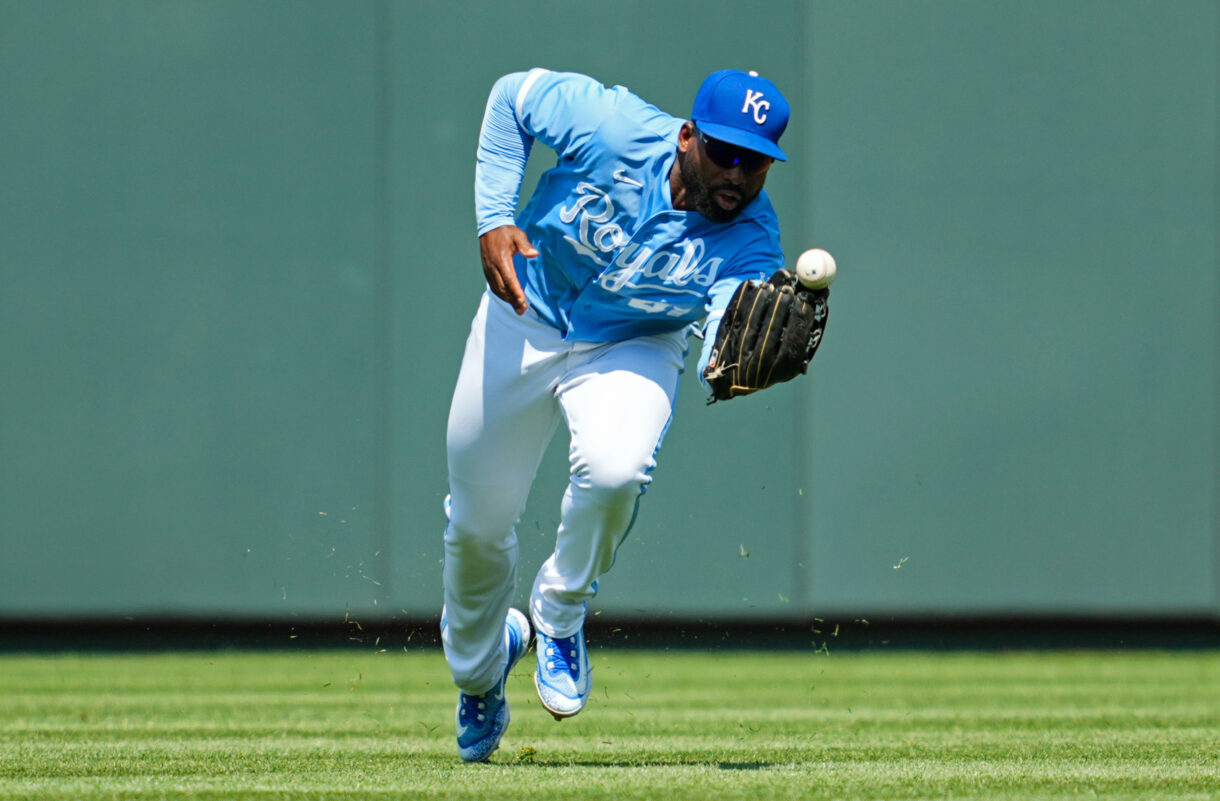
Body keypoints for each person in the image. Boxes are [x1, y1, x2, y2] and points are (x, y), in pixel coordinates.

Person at [441, 67, 792, 762]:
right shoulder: (613, 127)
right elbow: (511, 96)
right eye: (724, 151)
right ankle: (481, 673)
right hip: (524, 313)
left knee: (615, 468)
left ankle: (561, 611)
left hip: (633, 341)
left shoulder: (753, 239)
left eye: (755, 161)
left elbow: (723, 345)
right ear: (687, 137)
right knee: (478, 528)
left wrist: (740, 360)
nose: (737, 173)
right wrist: (494, 217)